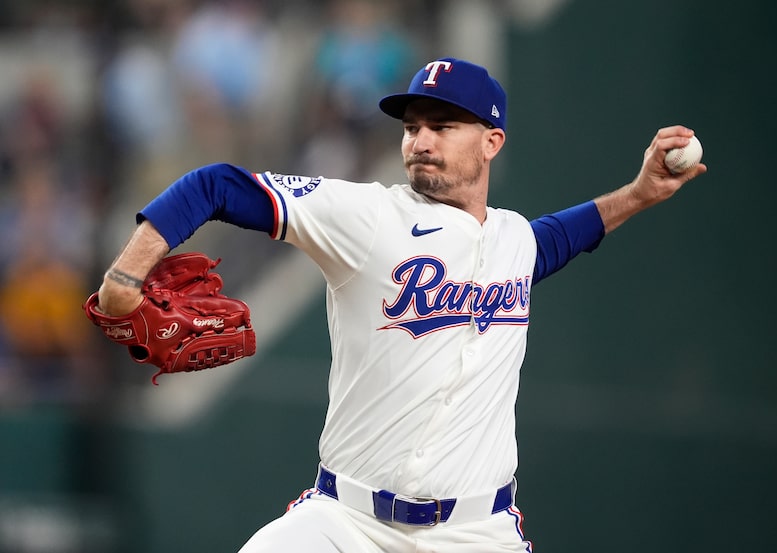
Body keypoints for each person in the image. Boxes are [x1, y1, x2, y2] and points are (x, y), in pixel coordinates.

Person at [93, 58, 707, 552]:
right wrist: (125, 279)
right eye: (413, 126)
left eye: (443, 126)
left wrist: (638, 193)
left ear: (491, 141)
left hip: (476, 532)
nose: (421, 141)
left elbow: (560, 238)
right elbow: (215, 186)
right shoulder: (368, 219)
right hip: (346, 524)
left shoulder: (513, 240)